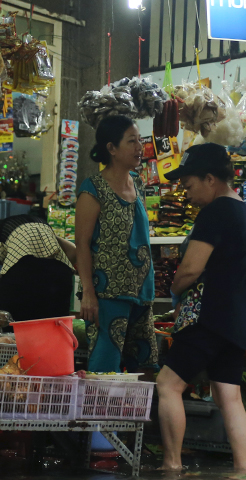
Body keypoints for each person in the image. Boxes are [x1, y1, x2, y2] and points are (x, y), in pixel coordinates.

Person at [155, 144, 246, 473]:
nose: (186, 194)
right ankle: (243, 474)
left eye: (189, 185)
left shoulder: (215, 212)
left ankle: (172, 466)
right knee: (229, 397)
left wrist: (175, 289)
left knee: (168, 385)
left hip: (207, 318)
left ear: (210, 178)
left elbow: (190, 269)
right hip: (236, 321)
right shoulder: (242, 210)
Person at [74, 115, 157, 373]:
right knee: (104, 369)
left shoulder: (138, 182)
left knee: (144, 368)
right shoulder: (93, 189)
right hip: (108, 294)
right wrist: (88, 292)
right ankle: (97, 415)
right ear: (111, 148)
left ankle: (136, 415)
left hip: (142, 293)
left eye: (140, 140)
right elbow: (82, 244)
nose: (139, 147)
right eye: (131, 141)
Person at [0, 213, 78, 322]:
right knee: (54, 330)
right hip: (60, 275)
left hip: (22, 275)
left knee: (13, 332)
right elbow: (73, 252)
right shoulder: (34, 222)